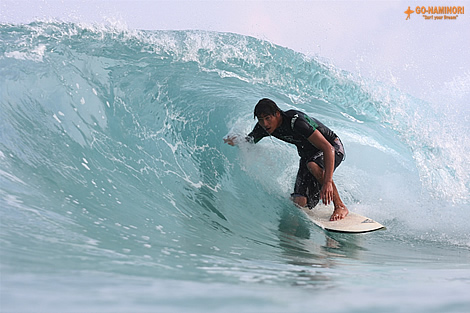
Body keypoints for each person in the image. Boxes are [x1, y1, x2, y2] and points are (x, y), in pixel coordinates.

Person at [224, 98, 348, 221]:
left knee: (312, 165)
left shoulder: (296, 121)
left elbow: (328, 148)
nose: (265, 124)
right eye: (261, 120)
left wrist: (327, 182)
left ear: (277, 114)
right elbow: (250, 141)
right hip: (308, 156)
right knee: (299, 202)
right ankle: (316, 199)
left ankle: (340, 206)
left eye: (268, 118)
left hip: (333, 147)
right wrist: (237, 141)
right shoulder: (264, 128)